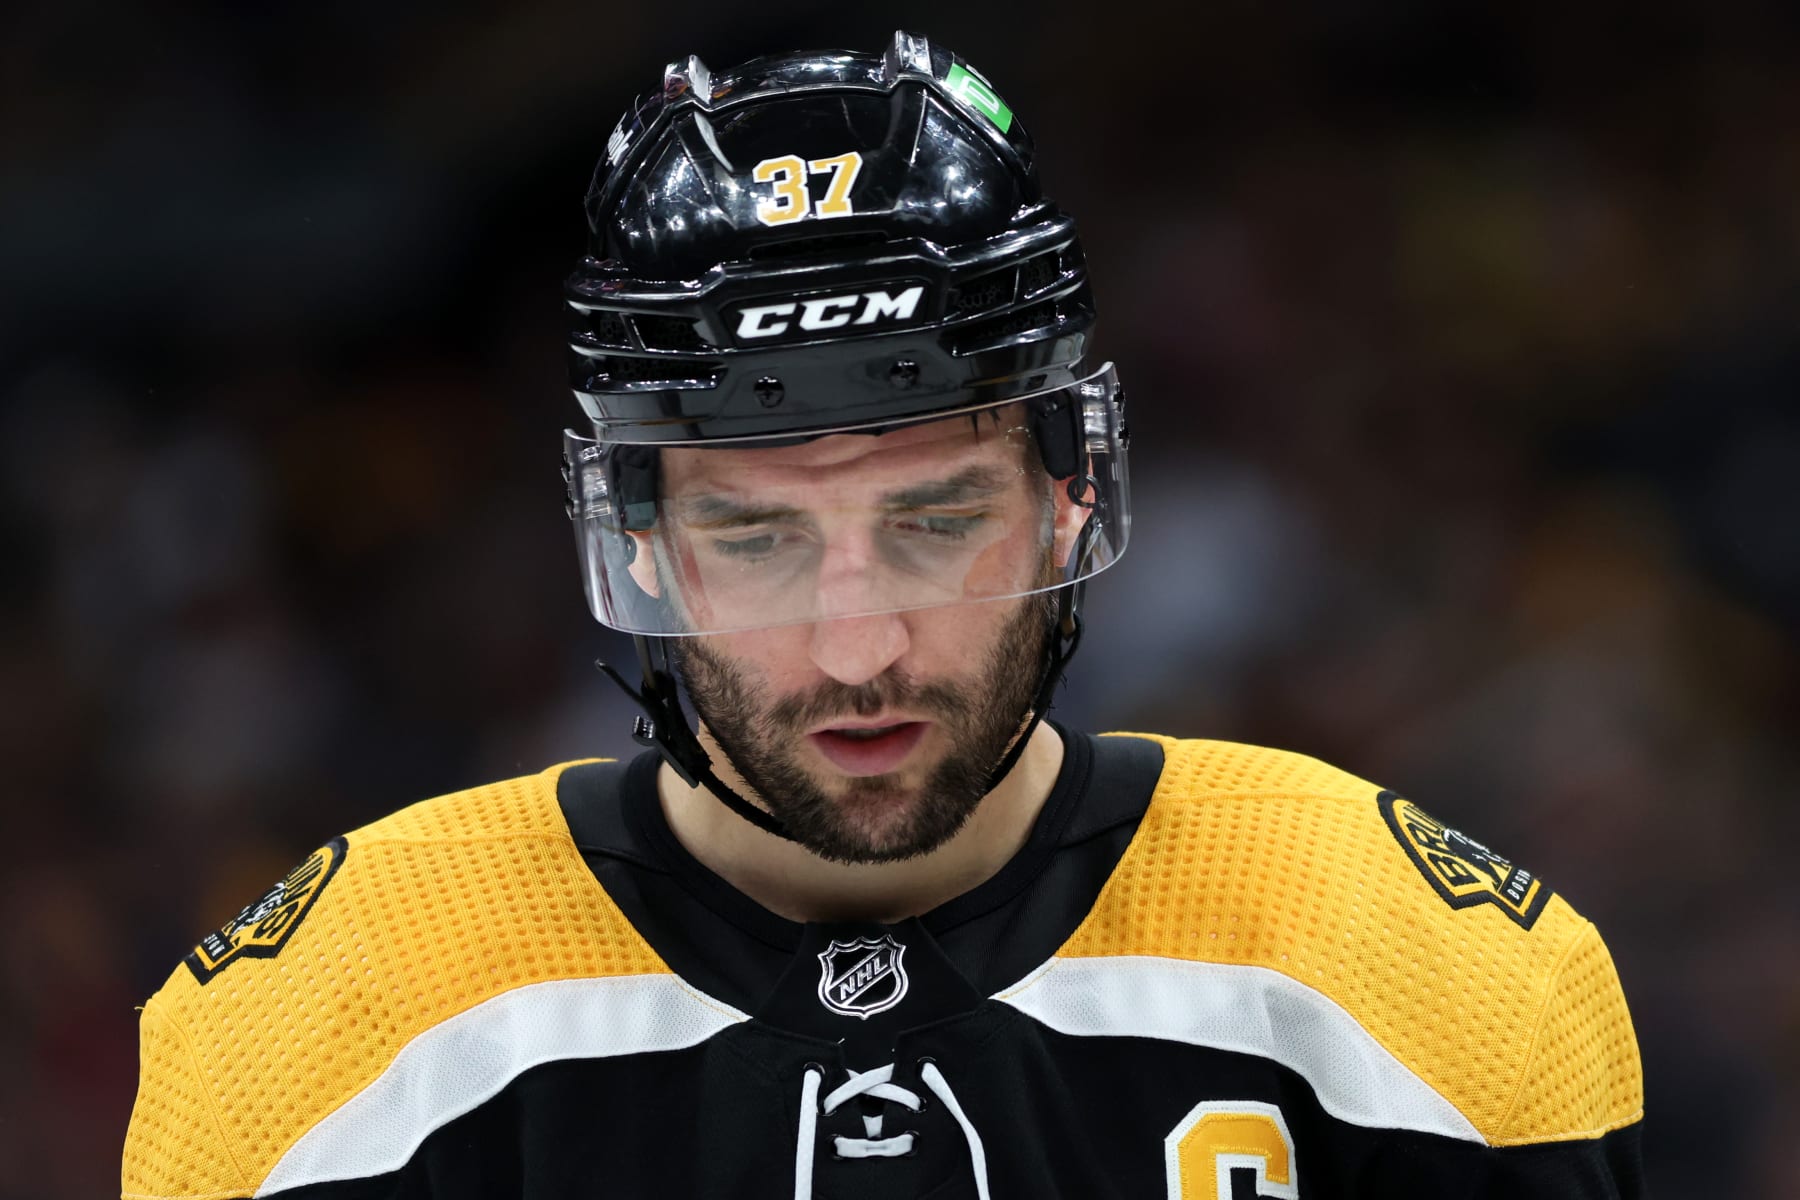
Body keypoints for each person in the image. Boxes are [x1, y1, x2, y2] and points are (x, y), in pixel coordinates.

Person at [121, 32, 1645, 1200]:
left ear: (1066, 495)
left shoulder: (1419, 981)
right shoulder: (321, 1036)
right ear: (639, 540)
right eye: (759, 540)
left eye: (934, 522)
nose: (859, 648)